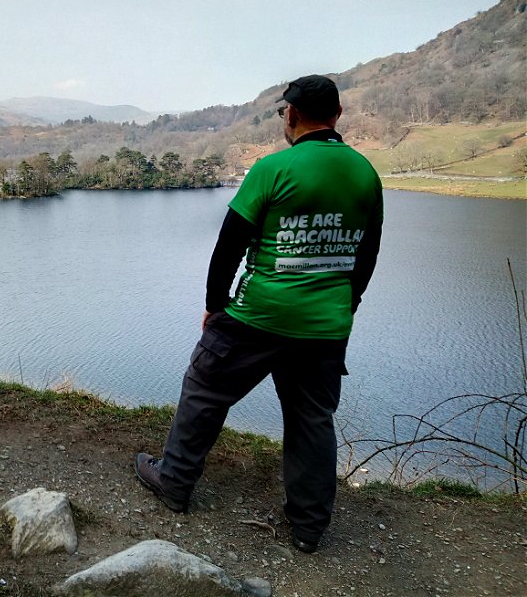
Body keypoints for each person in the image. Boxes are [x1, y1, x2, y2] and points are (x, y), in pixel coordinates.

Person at [135, 75, 383, 554]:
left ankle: (174, 482)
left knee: (205, 387)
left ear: (290, 115)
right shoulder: (365, 174)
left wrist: (214, 307)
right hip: (325, 325)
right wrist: (344, 305)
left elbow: (228, 246)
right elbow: (366, 255)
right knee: (312, 418)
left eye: (282, 114)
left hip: (258, 314)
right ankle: (309, 527)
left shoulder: (273, 169)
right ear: (338, 116)